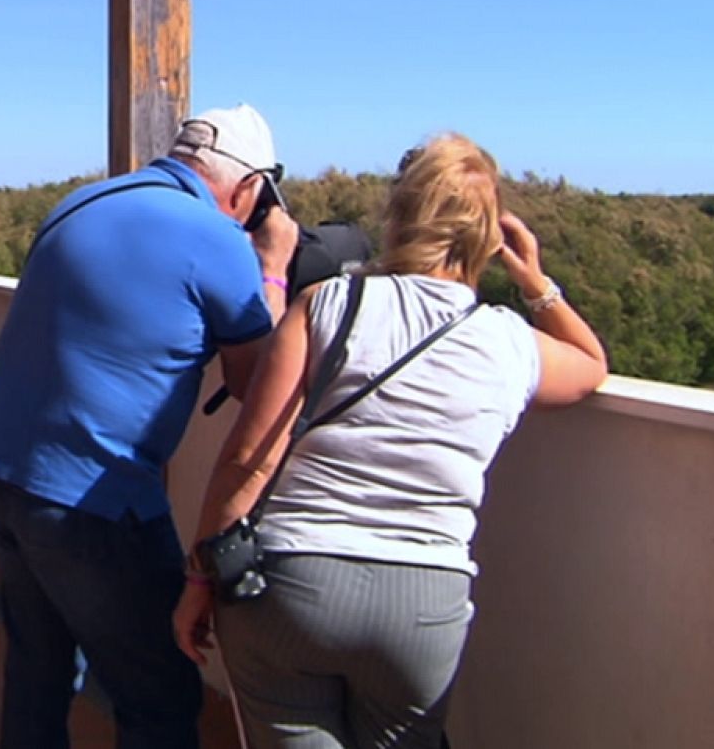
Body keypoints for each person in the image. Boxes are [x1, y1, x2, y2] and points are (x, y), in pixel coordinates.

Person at [173, 133, 609, 748]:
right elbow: (591, 364)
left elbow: (250, 458)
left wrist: (199, 579)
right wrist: (535, 282)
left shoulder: (326, 305)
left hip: (290, 583)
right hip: (423, 603)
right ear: (487, 233)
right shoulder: (508, 342)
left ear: (398, 216)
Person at [0, 104, 299, 749]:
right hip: (92, 500)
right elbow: (258, 386)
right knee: (161, 693)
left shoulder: (80, 202)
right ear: (250, 187)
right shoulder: (218, 239)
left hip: (0, 466)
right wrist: (274, 267)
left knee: (39, 668)